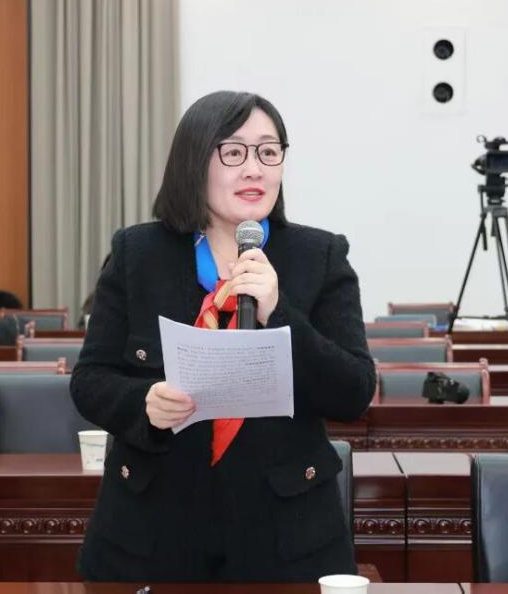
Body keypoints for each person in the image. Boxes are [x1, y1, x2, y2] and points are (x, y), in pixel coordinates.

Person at [70, 91, 375, 582]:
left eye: (269, 152)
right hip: (153, 529)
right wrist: (144, 403)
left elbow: (353, 392)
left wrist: (280, 313)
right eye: (233, 152)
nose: (254, 169)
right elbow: (90, 380)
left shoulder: (320, 256)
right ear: (194, 161)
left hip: (286, 534)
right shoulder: (138, 252)